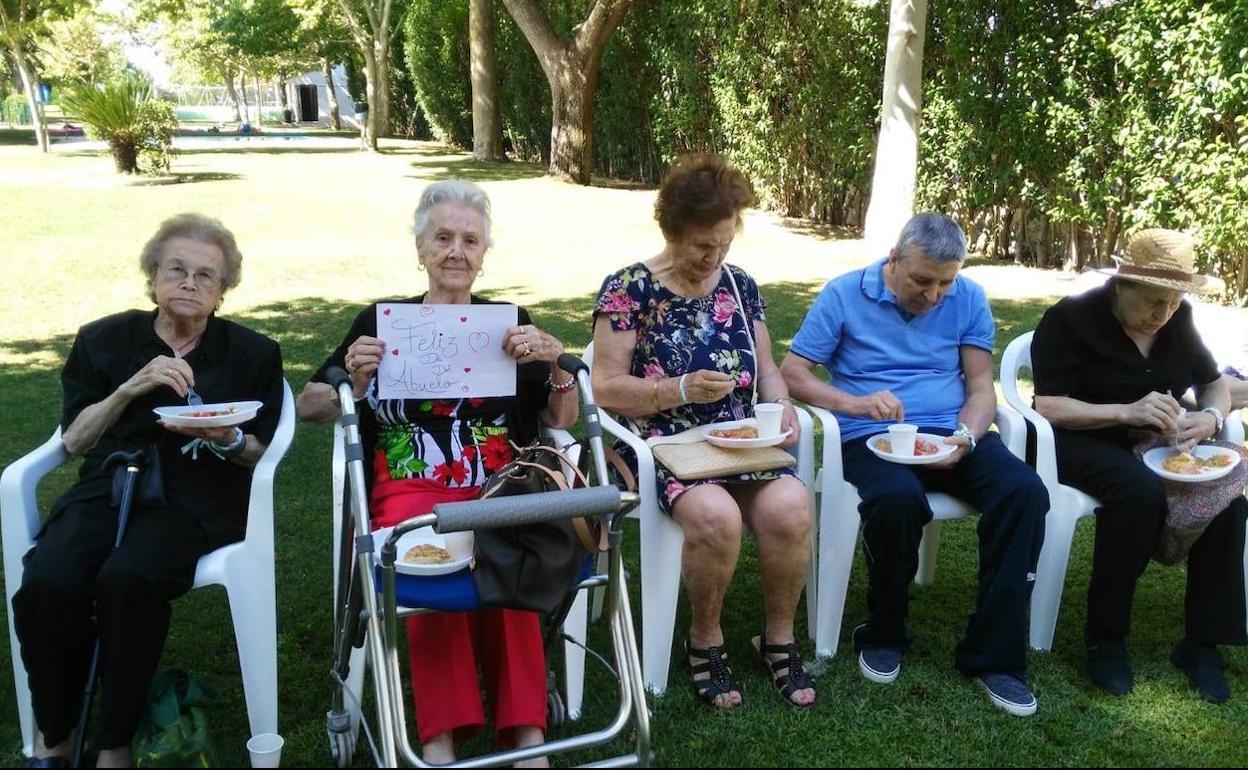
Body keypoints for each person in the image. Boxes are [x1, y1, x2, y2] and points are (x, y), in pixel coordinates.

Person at [297, 179, 576, 766]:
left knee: (511, 545)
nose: (456, 251)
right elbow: (310, 405)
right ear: (420, 249)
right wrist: (354, 376)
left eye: (470, 240)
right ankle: (439, 737)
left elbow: (560, 417)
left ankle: (527, 735)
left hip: (501, 477)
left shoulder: (508, 321)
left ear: (483, 254)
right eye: (442, 238)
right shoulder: (382, 320)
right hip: (410, 481)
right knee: (427, 556)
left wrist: (555, 364)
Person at [12, 214, 285, 768]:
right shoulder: (104, 340)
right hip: (108, 485)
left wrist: (225, 436)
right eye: (177, 269)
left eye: (207, 276)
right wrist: (127, 389)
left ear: (223, 291)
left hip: (197, 499)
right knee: (49, 580)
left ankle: (114, 743)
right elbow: (76, 441)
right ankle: (56, 733)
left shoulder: (253, 353)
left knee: (128, 579)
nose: (190, 283)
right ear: (153, 275)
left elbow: (263, 453)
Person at [781, 212, 1049, 717]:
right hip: (869, 435)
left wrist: (966, 437)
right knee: (896, 497)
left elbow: (978, 387)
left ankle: (995, 656)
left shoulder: (967, 297)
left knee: (1025, 492)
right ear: (894, 260)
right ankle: (884, 630)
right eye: (923, 280)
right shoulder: (843, 295)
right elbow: (793, 373)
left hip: (948, 433)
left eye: (945, 282)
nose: (934, 295)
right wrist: (853, 404)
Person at [591, 154, 815, 710]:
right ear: (672, 231)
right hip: (666, 446)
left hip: (739, 441)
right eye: (701, 246)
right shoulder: (629, 290)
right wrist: (680, 389)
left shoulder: (739, 286)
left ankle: (779, 637)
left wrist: (781, 405)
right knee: (715, 516)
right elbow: (605, 388)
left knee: (791, 507)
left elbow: (766, 370)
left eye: (724, 244)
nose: (713, 257)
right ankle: (706, 637)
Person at [1031, 228, 1246, 703]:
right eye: (1151, 301)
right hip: (1081, 439)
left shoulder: (1178, 319)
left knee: (1228, 499)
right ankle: (1106, 638)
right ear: (1120, 285)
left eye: (1171, 303)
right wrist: (1123, 412)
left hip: (1154, 442)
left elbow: (1214, 386)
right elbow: (1046, 406)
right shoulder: (1071, 319)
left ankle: (1201, 644)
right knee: (1137, 493)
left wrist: (1209, 417)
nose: (1161, 314)